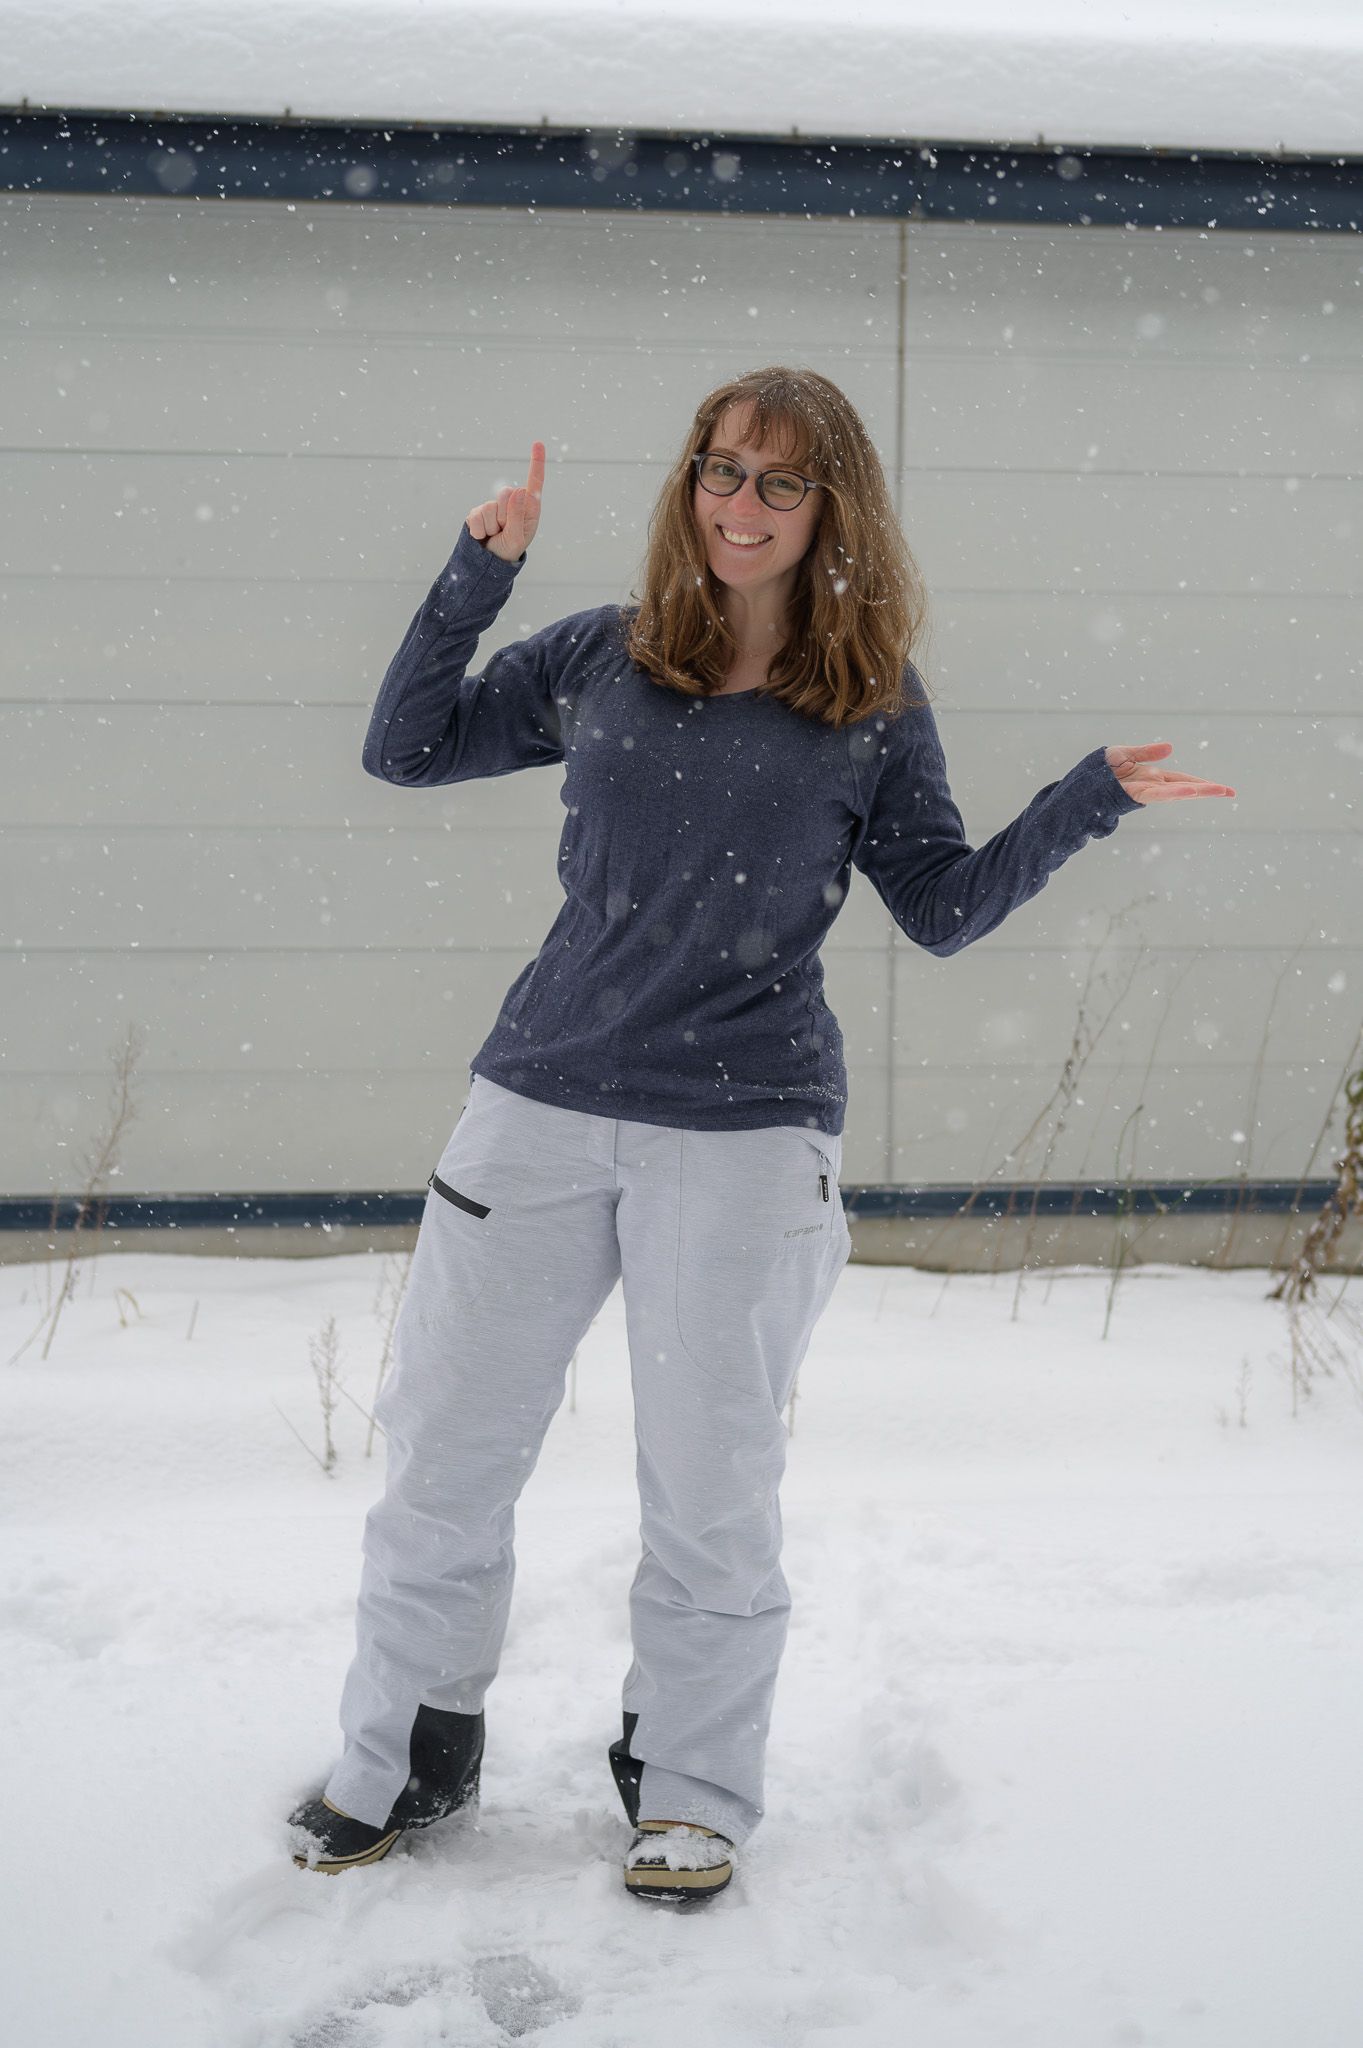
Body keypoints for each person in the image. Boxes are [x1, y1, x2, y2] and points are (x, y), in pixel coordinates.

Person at [286, 366, 1236, 1905]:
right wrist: (477, 570)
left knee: (711, 1487)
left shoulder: (869, 700)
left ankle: (689, 1784)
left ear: (830, 507)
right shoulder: (607, 652)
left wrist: (1085, 801)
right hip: (536, 1106)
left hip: (742, 1134)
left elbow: (940, 909)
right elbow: (408, 748)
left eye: (781, 481)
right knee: (443, 1457)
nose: (742, 504)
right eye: (722, 470)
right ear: (692, 483)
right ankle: (405, 1753)